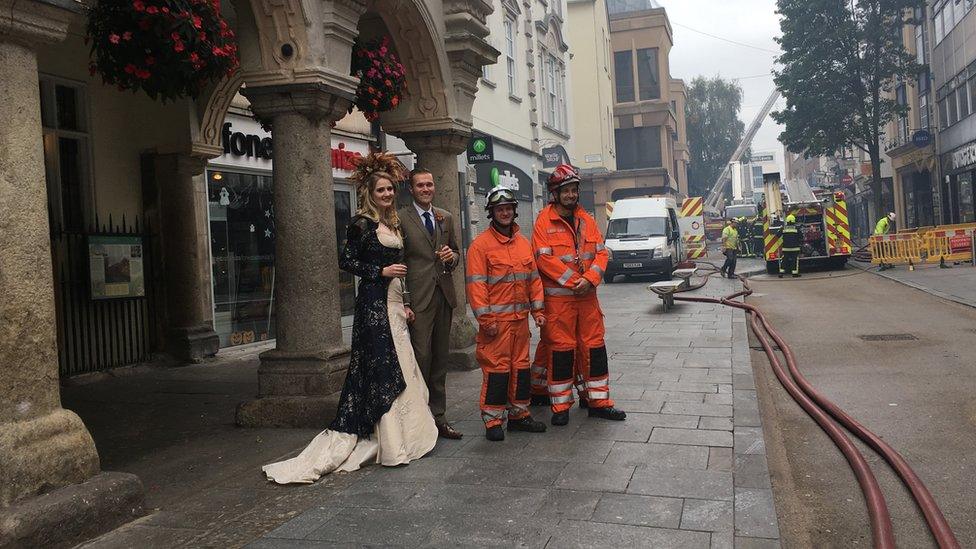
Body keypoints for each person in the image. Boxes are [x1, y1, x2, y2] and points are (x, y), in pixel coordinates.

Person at [262, 152, 437, 484]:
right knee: (384, 367)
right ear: (370, 194)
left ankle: (407, 436)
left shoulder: (393, 223)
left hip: (396, 304)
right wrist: (380, 270)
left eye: (389, 190)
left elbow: (400, 271)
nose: (386, 195)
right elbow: (347, 261)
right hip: (373, 306)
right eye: (380, 191)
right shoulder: (361, 224)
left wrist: (406, 303)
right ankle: (390, 443)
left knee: (404, 363)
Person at [533, 164, 627, 426]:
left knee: (594, 347)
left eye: (574, 190)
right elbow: (544, 260)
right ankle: (560, 406)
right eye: (566, 191)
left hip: (587, 299)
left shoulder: (587, 220)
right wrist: (576, 281)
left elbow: (601, 253)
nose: (571, 195)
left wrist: (590, 279)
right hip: (560, 301)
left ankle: (599, 402)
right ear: (555, 193)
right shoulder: (543, 221)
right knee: (561, 351)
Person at [466, 185, 548, 441]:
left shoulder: (524, 244)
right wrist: (486, 319)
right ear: (492, 213)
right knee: (497, 370)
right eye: (499, 209)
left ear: (514, 211)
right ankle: (492, 421)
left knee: (521, 368)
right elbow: (476, 286)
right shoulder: (480, 246)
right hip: (496, 325)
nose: (504, 213)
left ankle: (519, 415)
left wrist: (538, 311)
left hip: (520, 322)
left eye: (508, 209)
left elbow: (534, 281)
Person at [398, 168, 464, 439]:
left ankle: (439, 417)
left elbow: (457, 255)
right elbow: (399, 261)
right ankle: (418, 416)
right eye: (420, 185)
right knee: (420, 358)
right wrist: (405, 301)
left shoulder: (445, 217)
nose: (426, 189)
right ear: (411, 189)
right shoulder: (401, 218)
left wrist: (451, 257)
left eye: (430, 184)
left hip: (443, 296)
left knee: (440, 359)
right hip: (419, 297)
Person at [778, 214, 801, 278]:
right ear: (794, 221)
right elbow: (801, 237)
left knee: (784, 260)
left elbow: (777, 235)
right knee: (794, 260)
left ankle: (781, 273)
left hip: (786, 249)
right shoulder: (796, 228)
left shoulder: (783, 228)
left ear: (787, 221)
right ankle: (794, 274)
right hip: (795, 248)